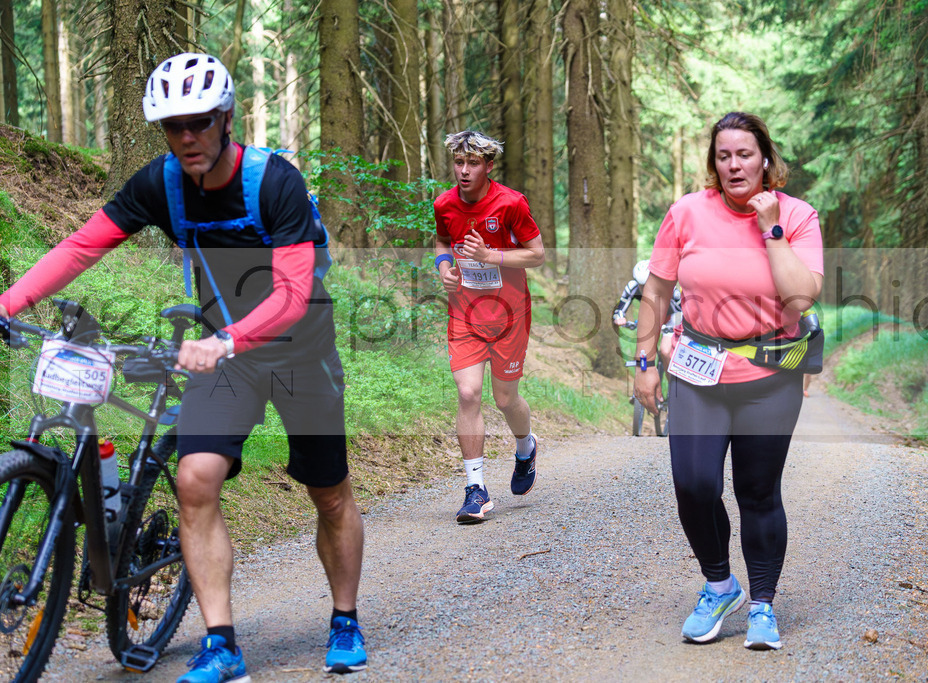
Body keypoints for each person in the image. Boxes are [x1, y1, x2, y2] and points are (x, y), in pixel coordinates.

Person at [0, 53, 367, 681]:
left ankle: (345, 618)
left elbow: (292, 294)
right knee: (195, 479)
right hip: (224, 354)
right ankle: (221, 643)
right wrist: (8, 303)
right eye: (173, 126)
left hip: (297, 349)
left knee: (328, 493)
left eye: (198, 121)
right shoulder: (160, 184)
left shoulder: (273, 182)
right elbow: (84, 244)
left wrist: (226, 340)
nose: (187, 136)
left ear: (225, 118)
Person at [633, 111, 823, 651]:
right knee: (693, 484)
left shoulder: (799, 215)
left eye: (745, 154)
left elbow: (800, 298)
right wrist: (644, 362)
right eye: (724, 155)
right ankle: (720, 586)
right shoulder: (686, 212)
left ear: (766, 158)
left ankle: (762, 603)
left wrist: (771, 228)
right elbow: (657, 293)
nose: (734, 164)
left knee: (757, 492)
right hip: (698, 369)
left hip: (770, 376)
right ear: (713, 163)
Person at [433, 130, 545, 524]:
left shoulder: (511, 203)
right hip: (464, 313)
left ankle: (525, 446)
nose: (464, 171)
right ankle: (475, 489)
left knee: (505, 399)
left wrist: (489, 255)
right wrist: (445, 269)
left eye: (473, 163)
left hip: (509, 316)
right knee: (468, 393)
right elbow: (442, 242)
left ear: (489, 165)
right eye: (458, 163)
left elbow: (537, 254)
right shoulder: (444, 203)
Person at [612, 259, 683, 367]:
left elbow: (683, 311)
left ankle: (672, 382)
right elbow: (620, 309)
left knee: (665, 351)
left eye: (648, 284)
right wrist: (620, 318)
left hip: (671, 319)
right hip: (651, 318)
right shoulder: (633, 287)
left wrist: (675, 327)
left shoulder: (669, 289)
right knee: (642, 353)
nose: (645, 289)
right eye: (642, 285)